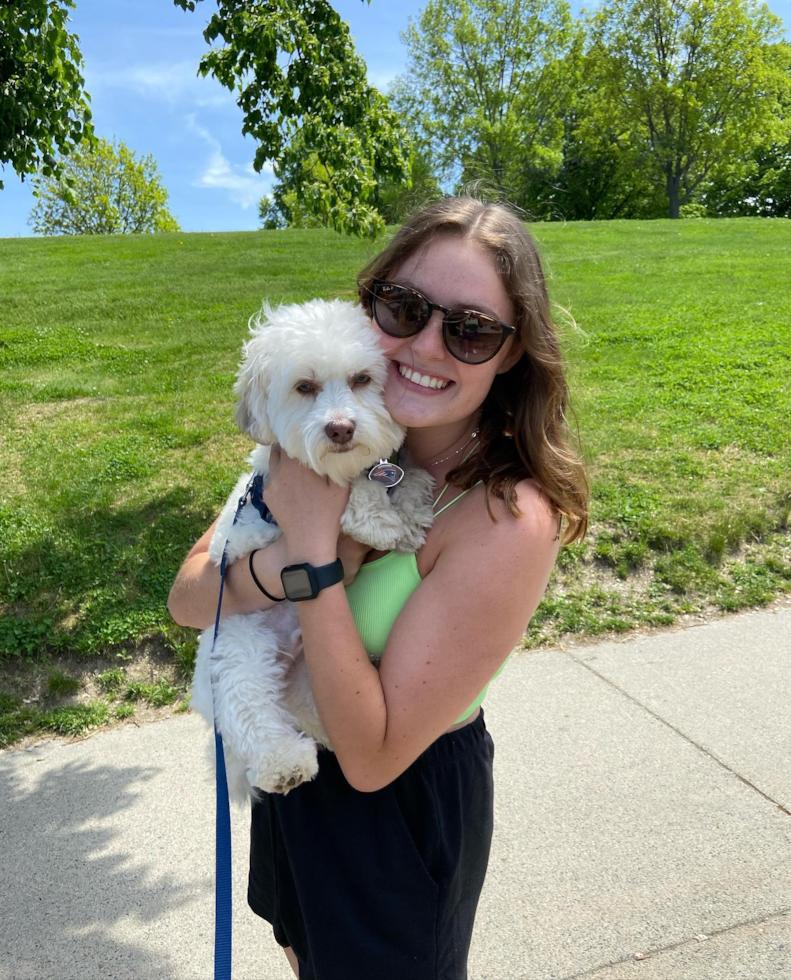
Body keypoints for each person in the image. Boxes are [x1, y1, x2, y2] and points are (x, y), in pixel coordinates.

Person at [167, 195, 589, 980]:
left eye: (469, 329)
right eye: (404, 307)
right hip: (295, 781)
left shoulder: (505, 518)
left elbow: (371, 759)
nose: (425, 345)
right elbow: (192, 600)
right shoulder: (323, 459)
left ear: (510, 354)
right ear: (368, 308)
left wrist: (317, 554)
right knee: (301, 954)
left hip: (393, 808)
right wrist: (285, 552)